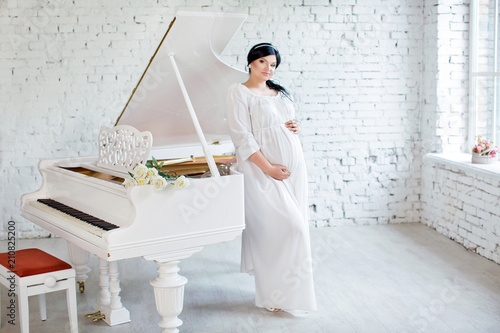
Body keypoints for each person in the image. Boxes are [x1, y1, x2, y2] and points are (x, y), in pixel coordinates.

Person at [226, 42, 317, 313]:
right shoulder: (239, 92)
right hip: (260, 172)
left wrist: (296, 126)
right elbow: (242, 138)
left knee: (294, 229)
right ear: (251, 61)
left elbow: (287, 122)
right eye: (264, 62)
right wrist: (268, 168)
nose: (269, 68)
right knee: (282, 230)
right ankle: (271, 295)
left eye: (274, 64)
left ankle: (285, 294)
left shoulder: (278, 92)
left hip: (293, 171)